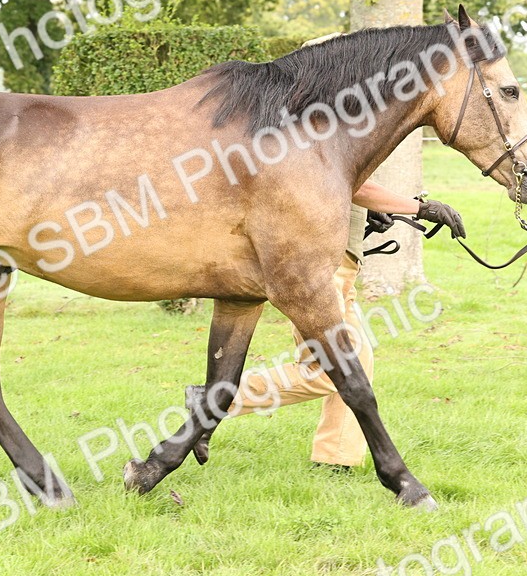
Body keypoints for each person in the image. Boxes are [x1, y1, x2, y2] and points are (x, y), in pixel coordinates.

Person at [185, 183, 466, 470]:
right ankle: (214, 401)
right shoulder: (331, 136)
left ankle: (335, 458)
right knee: (330, 372)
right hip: (322, 270)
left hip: (342, 267)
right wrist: (420, 208)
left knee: (359, 360)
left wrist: (367, 211)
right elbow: (350, 182)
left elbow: (348, 188)